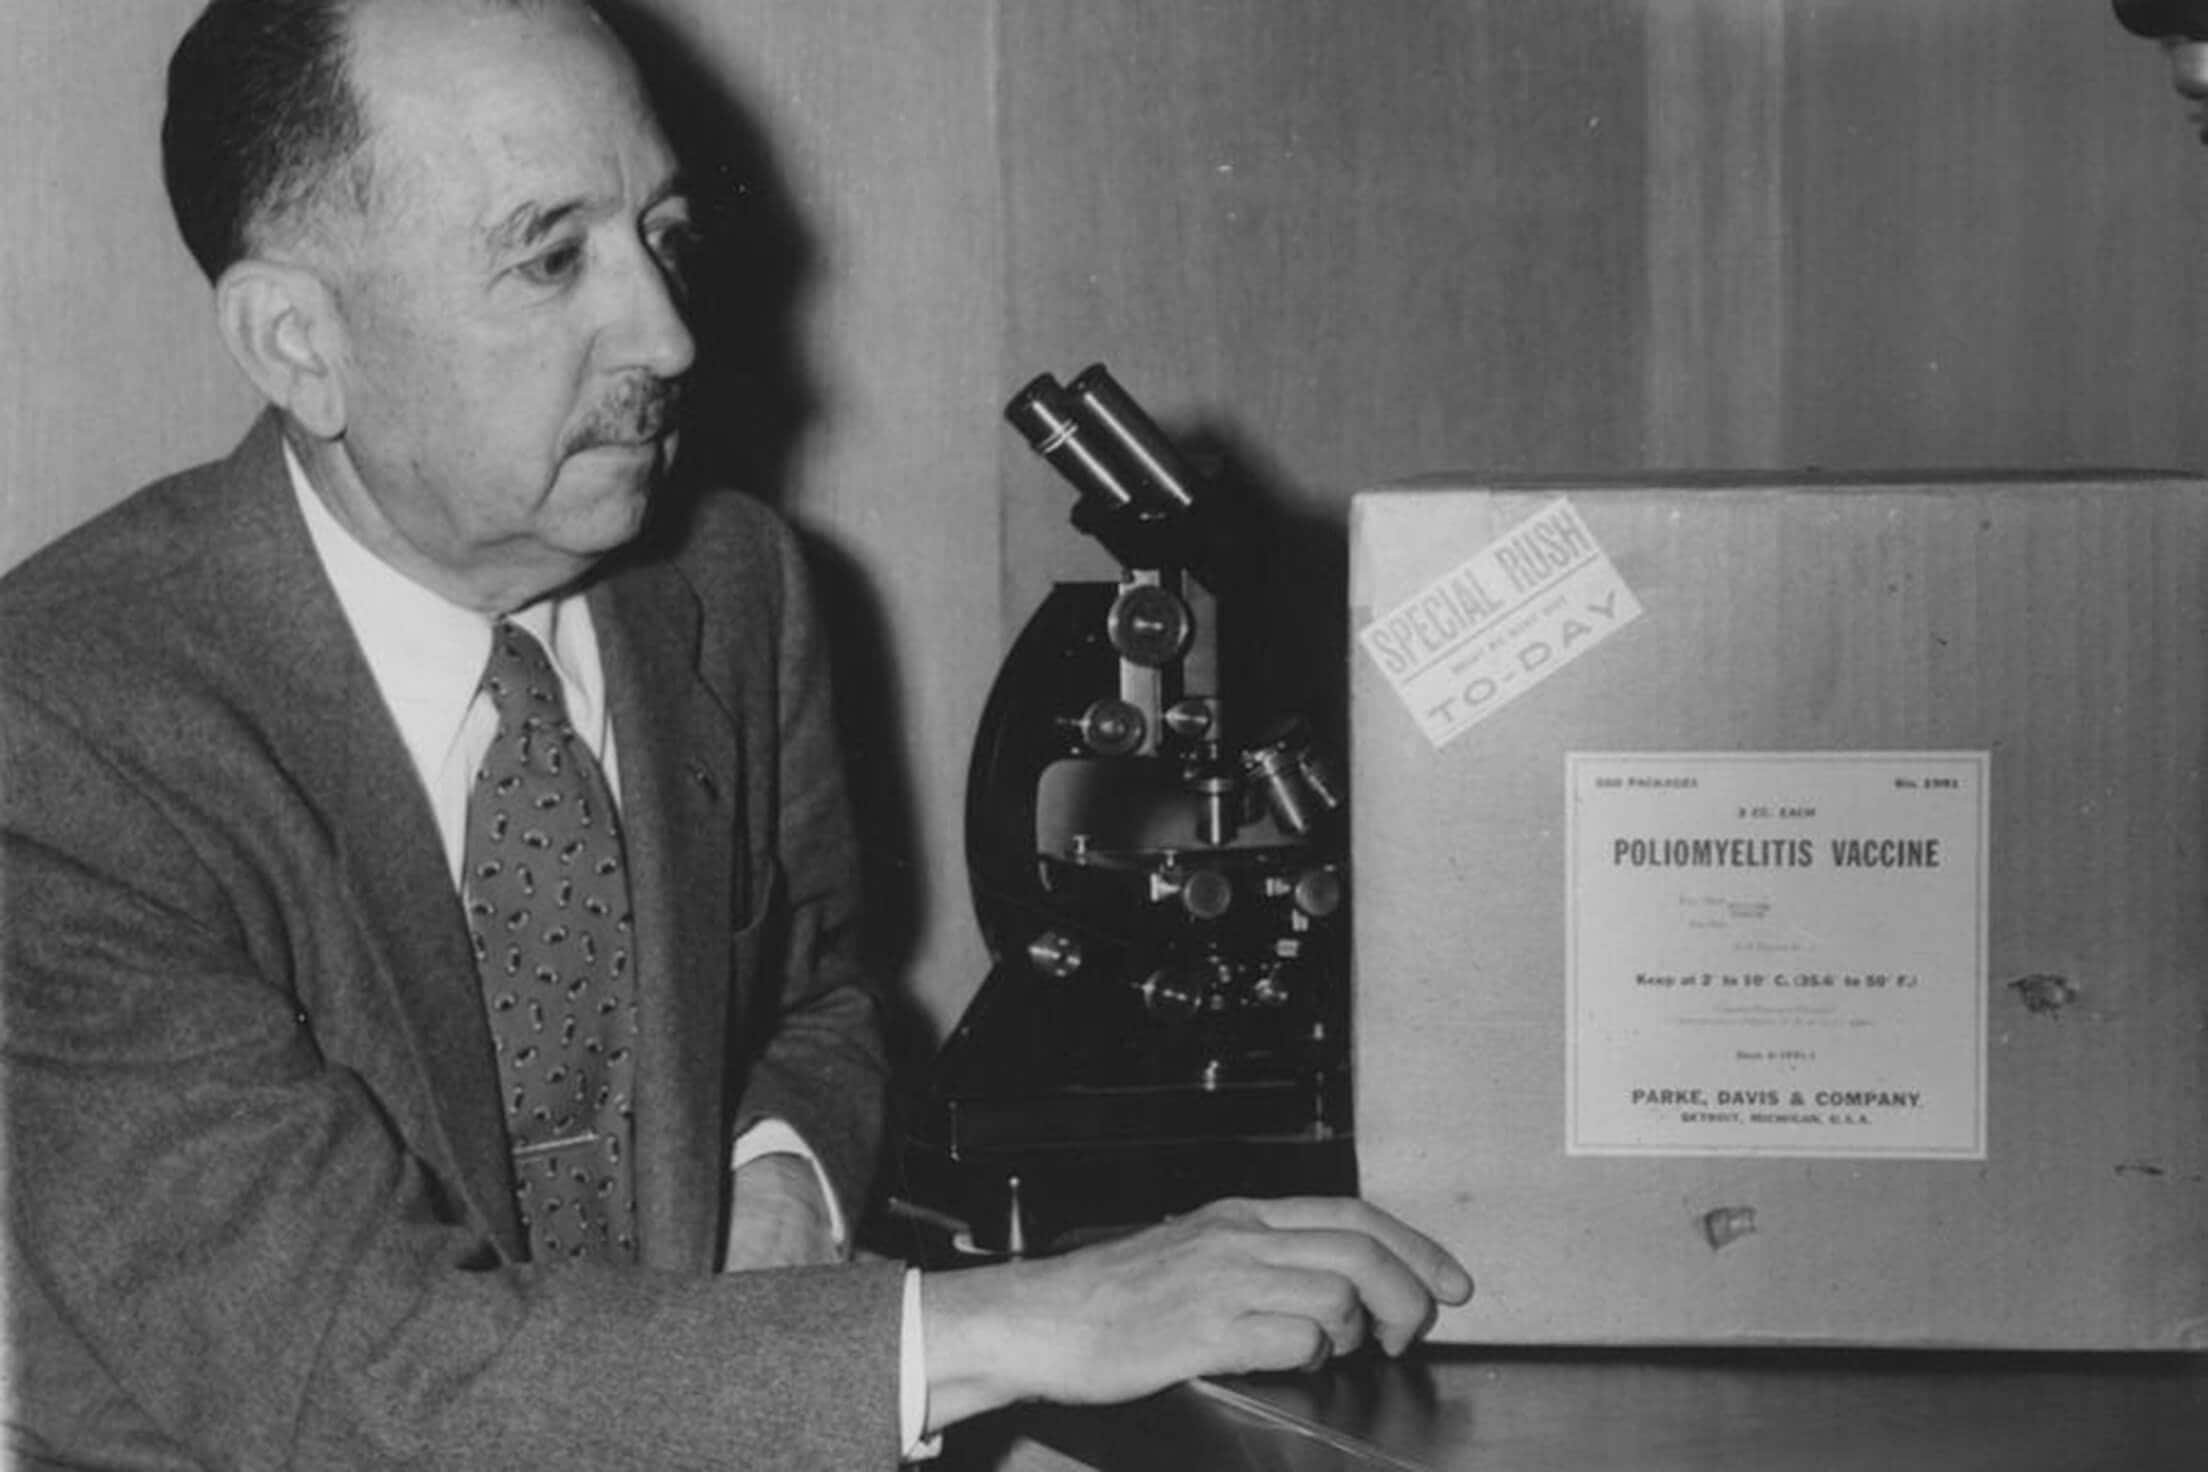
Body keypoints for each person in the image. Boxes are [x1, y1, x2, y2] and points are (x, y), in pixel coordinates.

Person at [0, 1, 1472, 1466]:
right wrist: (1023, 1321)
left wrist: (784, 1191)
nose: (666, 329)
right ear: (298, 343)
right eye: (551, 254)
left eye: (664, 234)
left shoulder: (730, 585)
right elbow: (365, 1379)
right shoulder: (69, 726)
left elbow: (816, 1002)